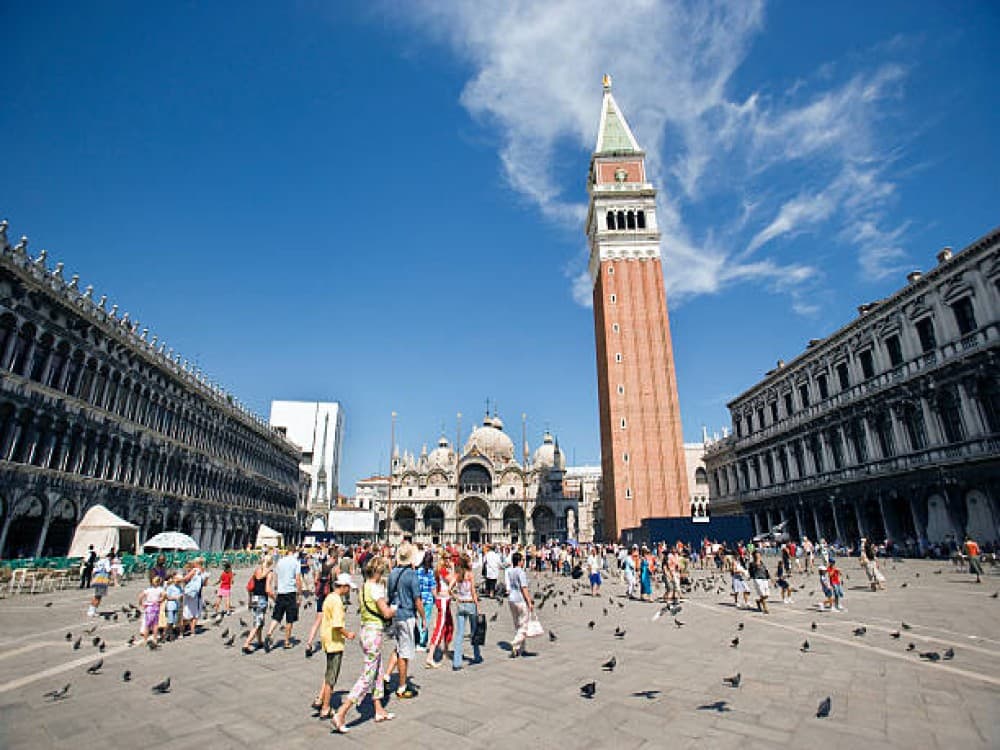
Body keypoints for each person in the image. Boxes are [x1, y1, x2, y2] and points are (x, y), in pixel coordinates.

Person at [331, 557, 396, 733]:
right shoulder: (375, 588)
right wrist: (397, 607)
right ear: (379, 572)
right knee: (368, 676)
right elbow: (386, 612)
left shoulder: (364, 586)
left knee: (378, 671)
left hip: (365, 630)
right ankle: (341, 712)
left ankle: (379, 710)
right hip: (374, 633)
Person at [384, 543, 425, 699]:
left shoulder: (393, 573)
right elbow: (417, 599)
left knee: (400, 646)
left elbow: (389, 594)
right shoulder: (411, 575)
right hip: (407, 615)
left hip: (395, 614)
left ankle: (386, 676)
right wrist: (423, 617)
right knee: (405, 653)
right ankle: (402, 687)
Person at [313, 573, 357, 720]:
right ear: (343, 586)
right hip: (335, 642)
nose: (349, 590)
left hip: (327, 638)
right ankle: (326, 708)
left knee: (328, 672)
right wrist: (348, 634)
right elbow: (337, 625)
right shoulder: (337, 602)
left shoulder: (330, 597)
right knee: (332, 676)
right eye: (348, 587)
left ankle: (320, 699)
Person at [266, 548, 303, 650]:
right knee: (289, 619)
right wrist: (299, 594)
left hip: (281, 592)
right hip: (291, 592)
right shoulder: (296, 562)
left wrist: (277, 588)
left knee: (277, 616)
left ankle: (269, 633)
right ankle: (286, 641)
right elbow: (298, 579)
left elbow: (276, 576)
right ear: (294, 552)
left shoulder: (280, 561)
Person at [451, 553, 482, 670]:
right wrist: (478, 606)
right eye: (469, 561)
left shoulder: (457, 574)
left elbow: (449, 589)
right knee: (474, 631)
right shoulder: (470, 574)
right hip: (470, 603)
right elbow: (473, 591)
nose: (471, 563)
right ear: (466, 563)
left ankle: (456, 662)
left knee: (459, 634)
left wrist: (456, 597)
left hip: (461, 604)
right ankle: (477, 655)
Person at [425, 555, 454, 669]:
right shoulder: (442, 570)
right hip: (443, 600)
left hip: (443, 599)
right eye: (447, 558)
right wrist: (453, 568)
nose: (449, 560)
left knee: (449, 625)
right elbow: (452, 580)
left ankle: (446, 650)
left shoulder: (440, 569)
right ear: (443, 559)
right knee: (439, 627)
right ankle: (430, 657)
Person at [505, 551, 535, 658]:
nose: (523, 562)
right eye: (523, 560)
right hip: (520, 599)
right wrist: (529, 601)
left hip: (511, 599)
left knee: (517, 624)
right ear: (519, 561)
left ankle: (521, 649)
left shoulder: (510, 571)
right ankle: (515, 643)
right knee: (524, 626)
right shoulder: (521, 572)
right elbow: (524, 588)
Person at [305, 558, 338, 658]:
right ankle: (330, 643)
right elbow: (336, 584)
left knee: (317, 621)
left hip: (321, 596)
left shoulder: (321, 567)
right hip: (330, 596)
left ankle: (309, 644)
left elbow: (316, 581)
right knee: (331, 621)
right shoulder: (334, 569)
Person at [243, 558, 273, 653]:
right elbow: (268, 590)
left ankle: (260, 641)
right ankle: (246, 644)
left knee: (259, 620)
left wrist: (249, 600)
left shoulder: (256, 571)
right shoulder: (269, 573)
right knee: (258, 623)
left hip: (255, 598)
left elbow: (250, 587)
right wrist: (275, 599)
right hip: (262, 599)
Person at [415, 550, 436, 652]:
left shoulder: (418, 571)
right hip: (428, 599)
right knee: (425, 620)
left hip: (419, 598)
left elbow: (415, 585)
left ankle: (421, 640)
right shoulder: (431, 572)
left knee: (419, 619)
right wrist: (437, 598)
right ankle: (421, 642)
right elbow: (433, 587)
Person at [181, 558, 205, 636]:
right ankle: (192, 631)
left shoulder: (195, 570)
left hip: (190, 593)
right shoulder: (203, 571)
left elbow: (186, 578)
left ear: (196, 563)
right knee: (195, 613)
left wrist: (177, 579)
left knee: (186, 612)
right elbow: (205, 583)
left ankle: (181, 631)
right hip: (198, 594)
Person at [139, 575, 165, 645]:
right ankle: (155, 639)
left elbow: (140, 596)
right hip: (156, 606)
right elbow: (164, 595)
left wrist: (141, 603)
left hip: (149, 607)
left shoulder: (148, 590)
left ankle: (145, 639)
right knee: (155, 624)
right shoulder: (160, 589)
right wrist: (160, 600)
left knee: (147, 624)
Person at [87, 553, 111, 617]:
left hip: (97, 578)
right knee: (98, 596)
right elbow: (108, 569)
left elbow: (94, 571)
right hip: (103, 578)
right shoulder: (106, 561)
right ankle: (92, 611)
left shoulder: (97, 561)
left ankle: (92, 610)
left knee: (97, 595)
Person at [165, 573, 183, 641]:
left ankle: (170, 633)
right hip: (171, 606)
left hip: (177, 606)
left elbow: (181, 595)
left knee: (175, 621)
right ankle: (168, 634)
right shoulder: (170, 587)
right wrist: (175, 598)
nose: (178, 582)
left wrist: (181, 597)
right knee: (170, 621)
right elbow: (167, 597)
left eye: (179, 581)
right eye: (177, 581)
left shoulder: (179, 587)